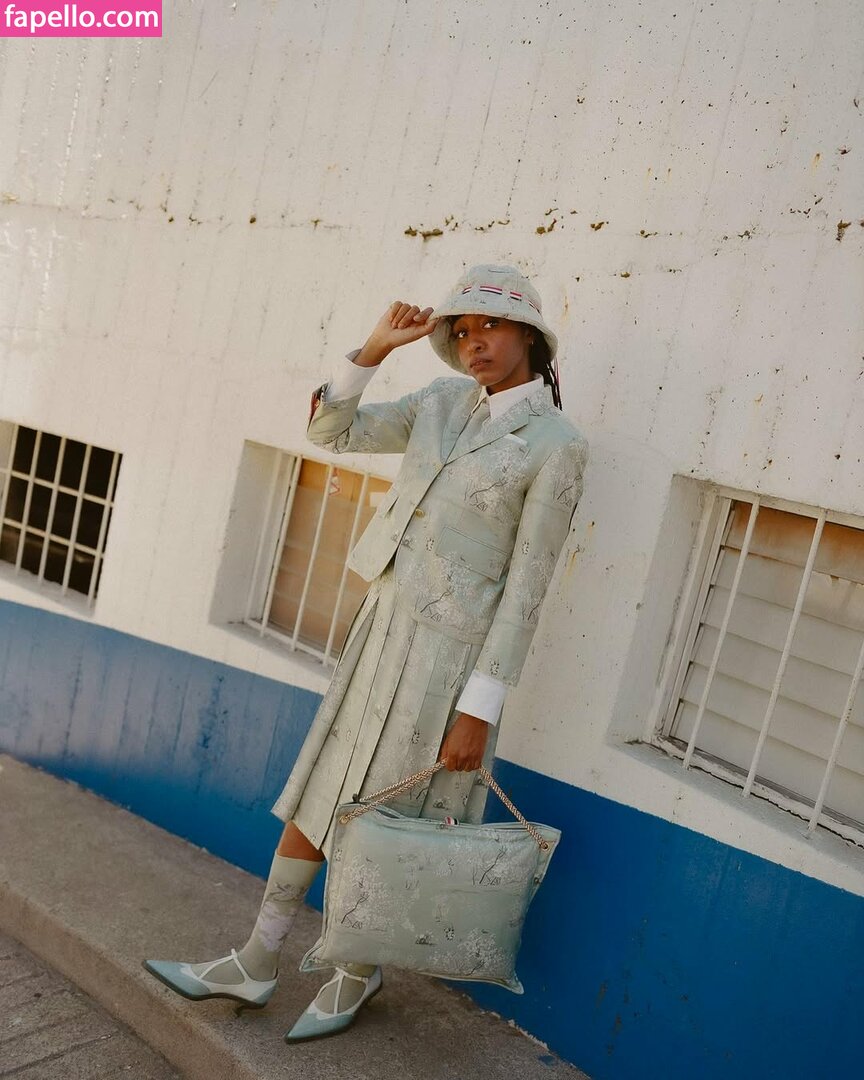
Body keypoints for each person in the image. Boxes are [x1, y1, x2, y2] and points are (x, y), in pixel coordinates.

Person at [144, 264, 589, 1043]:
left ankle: (356, 971)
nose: (475, 342)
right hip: (379, 629)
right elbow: (331, 432)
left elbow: (528, 587)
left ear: (528, 334)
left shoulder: (558, 445)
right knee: (324, 787)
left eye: (490, 325)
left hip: (450, 665)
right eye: (462, 330)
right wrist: (375, 348)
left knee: (389, 812)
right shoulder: (441, 402)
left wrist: (479, 709)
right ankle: (256, 958)